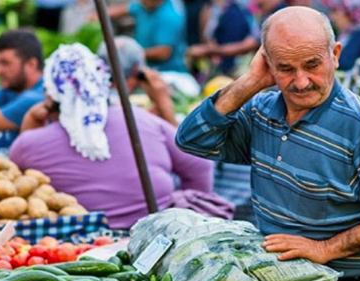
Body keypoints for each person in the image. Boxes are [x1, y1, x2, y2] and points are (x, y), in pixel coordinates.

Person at [176, 7, 360, 281]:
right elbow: (192, 139)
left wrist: (325, 249)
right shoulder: (262, 112)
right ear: (267, 64)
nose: (301, 81)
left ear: (335, 55)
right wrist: (250, 82)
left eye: (312, 64)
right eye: (285, 68)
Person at [12, 44, 219, 229]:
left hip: (79, 246)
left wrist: (30, 122)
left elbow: (19, 186)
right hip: (154, 233)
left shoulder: (28, 143)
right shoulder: (139, 119)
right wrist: (190, 218)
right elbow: (200, 163)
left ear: (51, 93)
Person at [98, 36, 177, 126]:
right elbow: (177, 137)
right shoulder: (131, 114)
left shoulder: (95, 101)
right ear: (136, 68)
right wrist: (163, 102)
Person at [105, 0, 188, 72]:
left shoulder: (170, 16)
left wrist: (130, 53)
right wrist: (95, 17)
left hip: (167, 73)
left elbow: (163, 53)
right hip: (143, 68)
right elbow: (118, 11)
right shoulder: (143, 6)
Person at [187, 0, 259, 75]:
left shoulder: (246, 8)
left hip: (241, 67)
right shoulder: (211, 7)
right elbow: (207, 35)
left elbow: (251, 43)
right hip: (216, 66)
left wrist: (209, 50)